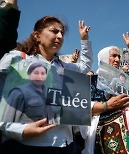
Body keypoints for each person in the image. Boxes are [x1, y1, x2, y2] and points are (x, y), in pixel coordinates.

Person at [0, 14, 92, 153]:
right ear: (37, 35)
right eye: (54, 31)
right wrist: (22, 130)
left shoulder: (64, 67)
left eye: (62, 32)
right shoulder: (18, 59)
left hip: (65, 144)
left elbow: (85, 66)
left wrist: (84, 39)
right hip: (25, 145)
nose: (60, 36)